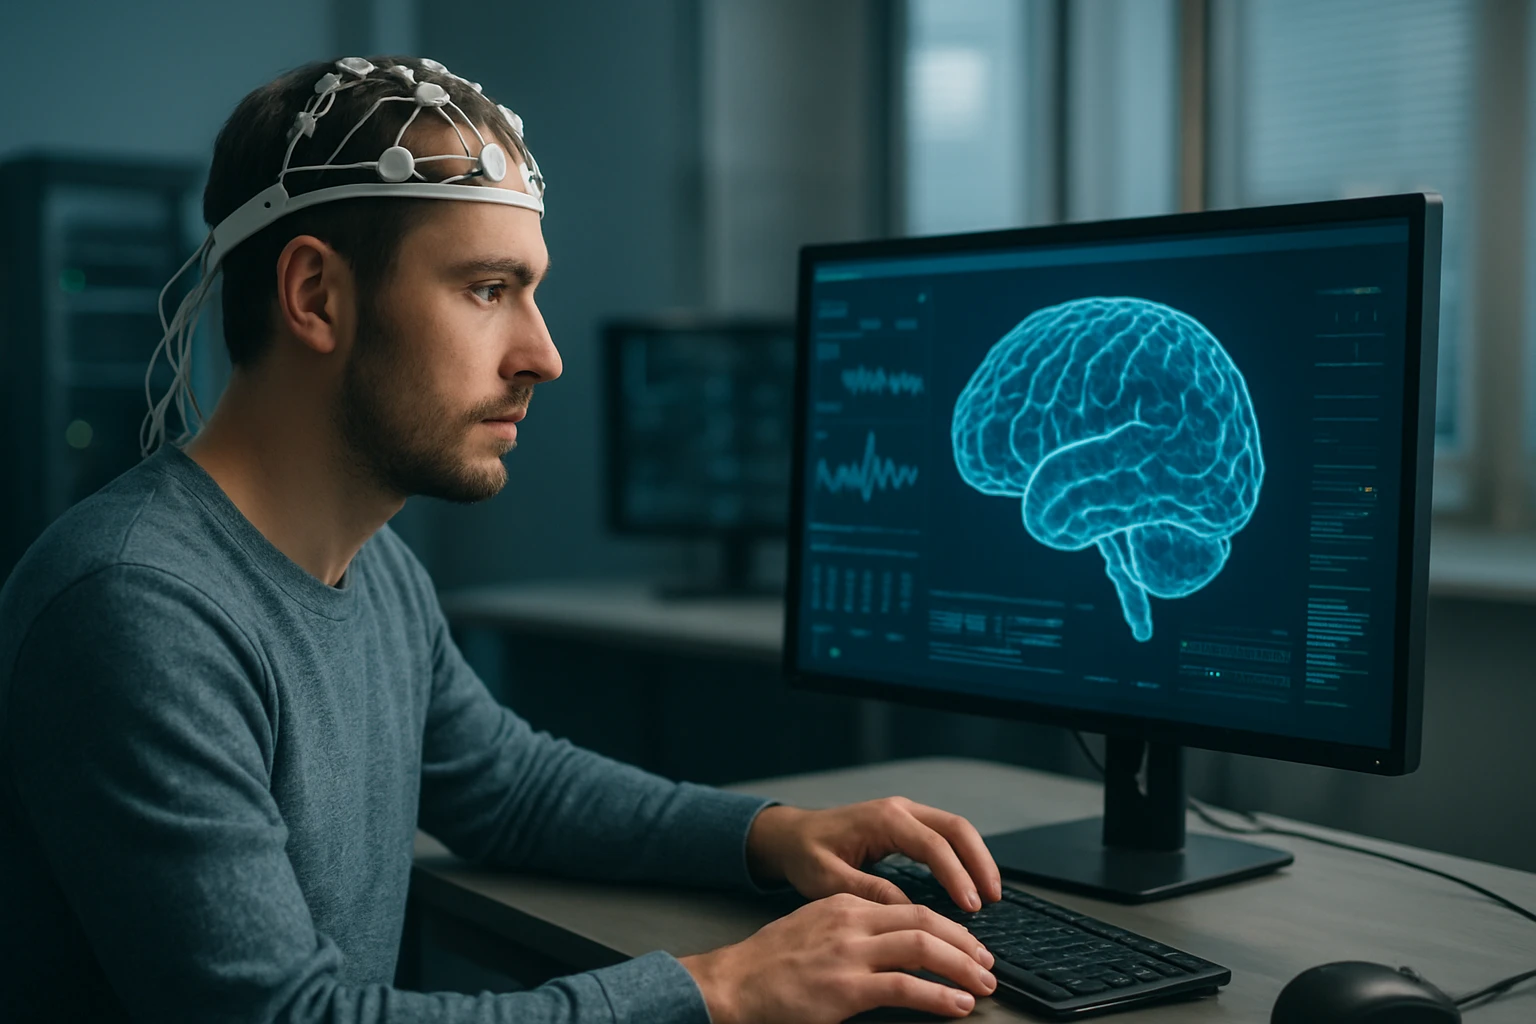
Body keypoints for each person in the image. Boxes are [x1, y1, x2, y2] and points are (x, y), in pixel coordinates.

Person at [0, 56, 1002, 1023]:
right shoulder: (136, 605)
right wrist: (720, 990)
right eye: (488, 289)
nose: (545, 355)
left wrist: (769, 833)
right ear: (316, 296)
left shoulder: (373, 566)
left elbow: (509, 789)